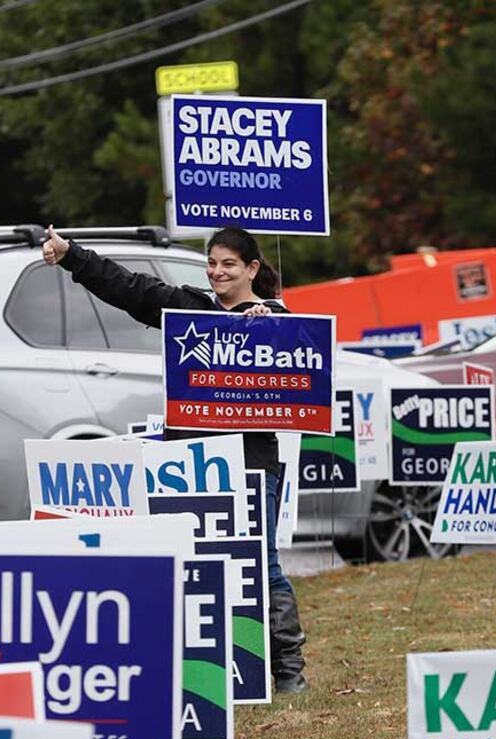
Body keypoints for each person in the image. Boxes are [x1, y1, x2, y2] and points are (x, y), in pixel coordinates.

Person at [42, 224, 308, 694]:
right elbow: (126, 287)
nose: (217, 272)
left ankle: (289, 672)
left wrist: (269, 325)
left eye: (228, 264)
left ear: (251, 269)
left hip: (251, 463)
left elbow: (302, 367)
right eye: (211, 263)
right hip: (190, 460)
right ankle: (208, 674)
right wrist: (70, 255)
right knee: (192, 564)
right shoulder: (187, 309)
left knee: (261, 564)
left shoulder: (276, 318)